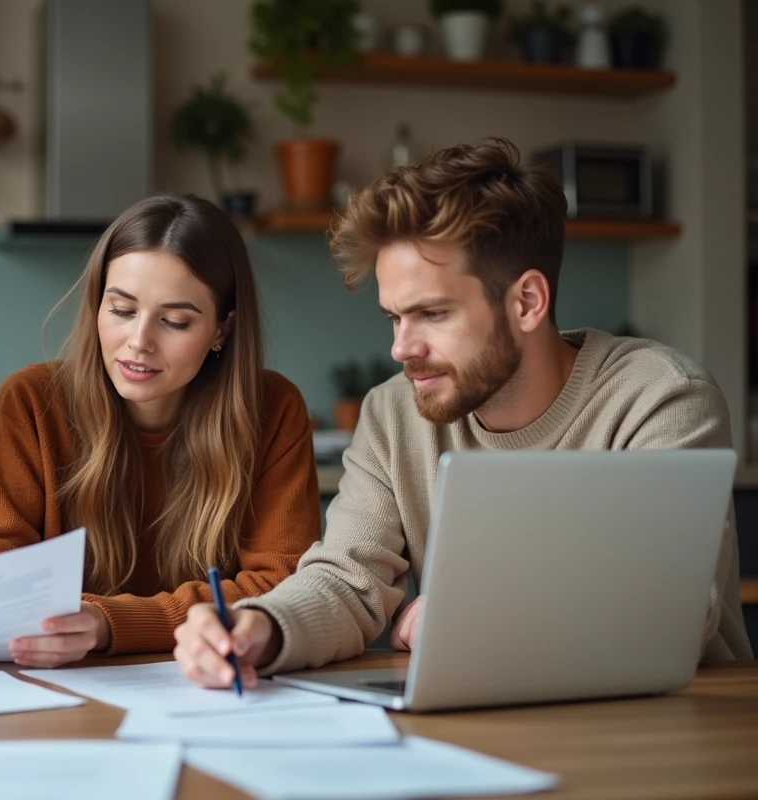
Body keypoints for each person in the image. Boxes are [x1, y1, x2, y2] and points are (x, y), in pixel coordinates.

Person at [174, 138, 753, 690]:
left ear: (527, 301)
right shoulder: (393, 413)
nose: (401, 348)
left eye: (431, 314)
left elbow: (670, 609)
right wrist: (260, 627)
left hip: (670, 725)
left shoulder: (660, 398)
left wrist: (479, 615)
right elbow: (348, 581)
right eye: (394, 317)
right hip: (484, 722)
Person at [0, 194, 320, 666]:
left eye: (175, 321)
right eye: (121, 310)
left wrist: (109, 622)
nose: (139, 341)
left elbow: (282, 590)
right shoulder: (30, 403)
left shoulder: (273, 410)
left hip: (205, 683)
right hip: (58, 685)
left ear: (221, 329)